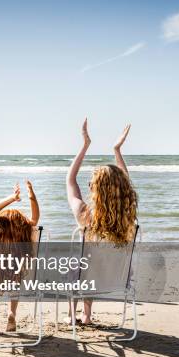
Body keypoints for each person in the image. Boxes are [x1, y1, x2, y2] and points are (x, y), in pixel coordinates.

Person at [66, 119, 138, 324]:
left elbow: (70, 180)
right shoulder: (126, 216)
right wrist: (117, 150)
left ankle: (73, 315)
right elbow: (126, 184)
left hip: (86, 278)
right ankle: (87, 315)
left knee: (80, 264)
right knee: (92, 263)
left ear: (96, 191)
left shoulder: (84, 214)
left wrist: (84, 145)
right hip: (117, 279)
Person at [0, 181, 40, 332]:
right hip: (16, 269)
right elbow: (35, 218)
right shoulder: (26, 231)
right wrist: (32, 196)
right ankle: (11, 314)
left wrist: (11, 198)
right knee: (16, 284)